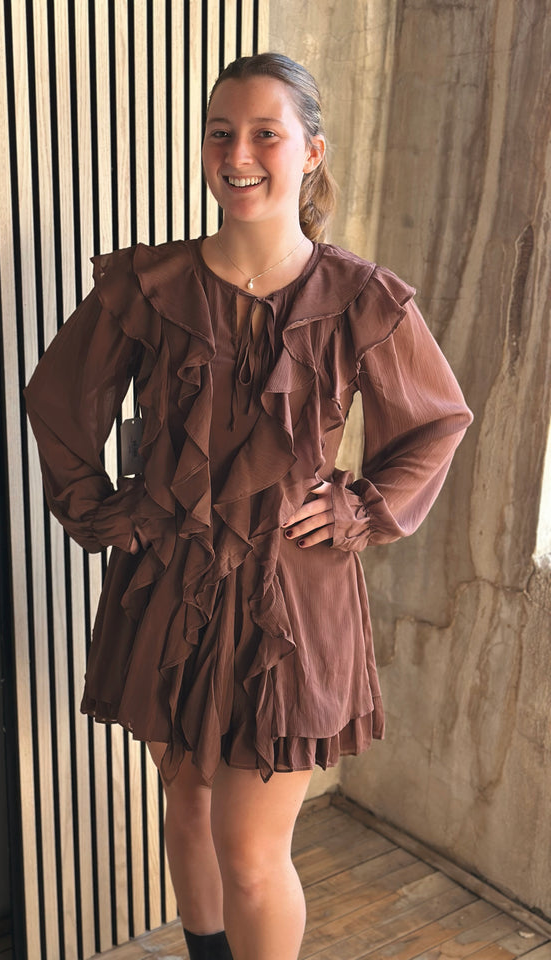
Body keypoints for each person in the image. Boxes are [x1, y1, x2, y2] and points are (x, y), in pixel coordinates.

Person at [24, 52, 472, 960]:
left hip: (291, 604)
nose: (239, 152)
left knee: (251, 850)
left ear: (310, 152)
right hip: (169, 585)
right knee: (185, 806)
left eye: (266, 132)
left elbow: (435, 423)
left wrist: (358, 510)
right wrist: (113, 513)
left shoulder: (361, 299)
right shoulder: (148, 287)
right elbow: (59, 403)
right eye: (221, 131)